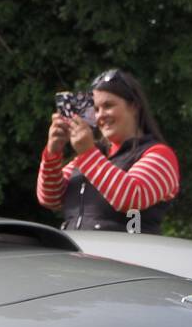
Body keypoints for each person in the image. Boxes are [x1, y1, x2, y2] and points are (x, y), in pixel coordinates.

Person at [36, 69, 180, 233]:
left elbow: (132, 197)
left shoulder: (160, 155)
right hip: (78, 255)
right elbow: (50, 198)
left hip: (126, 257)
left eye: (108, 106)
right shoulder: (92, 155)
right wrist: (52, 154)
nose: (100, 116)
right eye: (96, 110)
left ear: (134, 106)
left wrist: (87, 153)